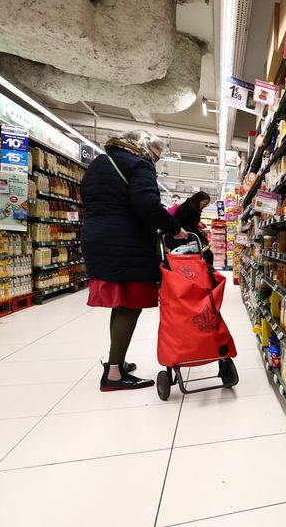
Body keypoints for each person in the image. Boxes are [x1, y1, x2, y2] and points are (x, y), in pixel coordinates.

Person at [81, 130, 188, 391]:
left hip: (97, 239)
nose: (154, 162)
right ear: (142, 148)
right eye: (154, 156)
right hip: (125, 241)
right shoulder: (138, 164)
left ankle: (116, 362)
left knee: (120, 303)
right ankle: (114, 375)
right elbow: (146, 204)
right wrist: (175, 229)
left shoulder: (98, 163)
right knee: (130, 304)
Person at [168, 191, 213, 265]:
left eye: (206, 204)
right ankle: (206, 274)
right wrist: (203, 239)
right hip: (181, 240)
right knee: (208, 255)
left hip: (179, 238)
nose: (204, 206)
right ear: (198, 200)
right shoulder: (191, 210)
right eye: (204, 203)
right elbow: (191, 228)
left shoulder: (188, 206)